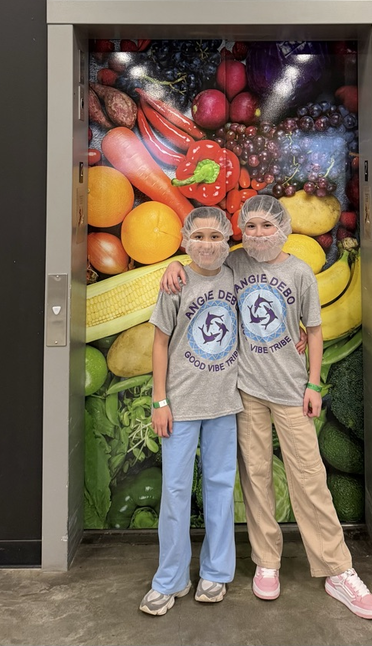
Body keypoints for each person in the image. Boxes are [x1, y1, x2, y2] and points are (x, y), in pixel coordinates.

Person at [160, 194, 372, 621]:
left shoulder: (299, 272)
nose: (259, 233)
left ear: (282, 228)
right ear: (242, 230)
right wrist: (173, 263)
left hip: (291, 392)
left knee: (310, 478)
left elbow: (313, 331)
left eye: (267, 225)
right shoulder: (235, 262)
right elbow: (201, 262)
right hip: (246, 392)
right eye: (252, 226)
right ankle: (267, 560)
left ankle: (338, 570)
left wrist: (313, 383)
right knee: (256, 478)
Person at [139, 206, 241, 617]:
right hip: (180, 404)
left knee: (220, 488)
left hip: (224, 402)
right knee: (176, 492)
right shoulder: (176, 282)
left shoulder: (235, 276)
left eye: (216, 236)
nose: (207, 244)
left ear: (228, 240)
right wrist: (159, 401)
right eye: (199, 236)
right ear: (185, 240)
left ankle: (216, 572)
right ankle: (170, 578)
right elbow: (160, 343)